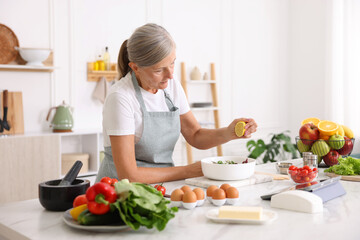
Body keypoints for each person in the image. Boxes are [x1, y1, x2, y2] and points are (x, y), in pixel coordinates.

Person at [96, 23, 258, 184]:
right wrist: (190, 170)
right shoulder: (121, 97)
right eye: (159, 70)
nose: (171, 75)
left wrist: (229, 133)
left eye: (172, 63)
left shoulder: (170, 87)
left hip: (160, 186)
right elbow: (129, 175)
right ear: (135, 68)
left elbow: (195, 135)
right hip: (117, 193)